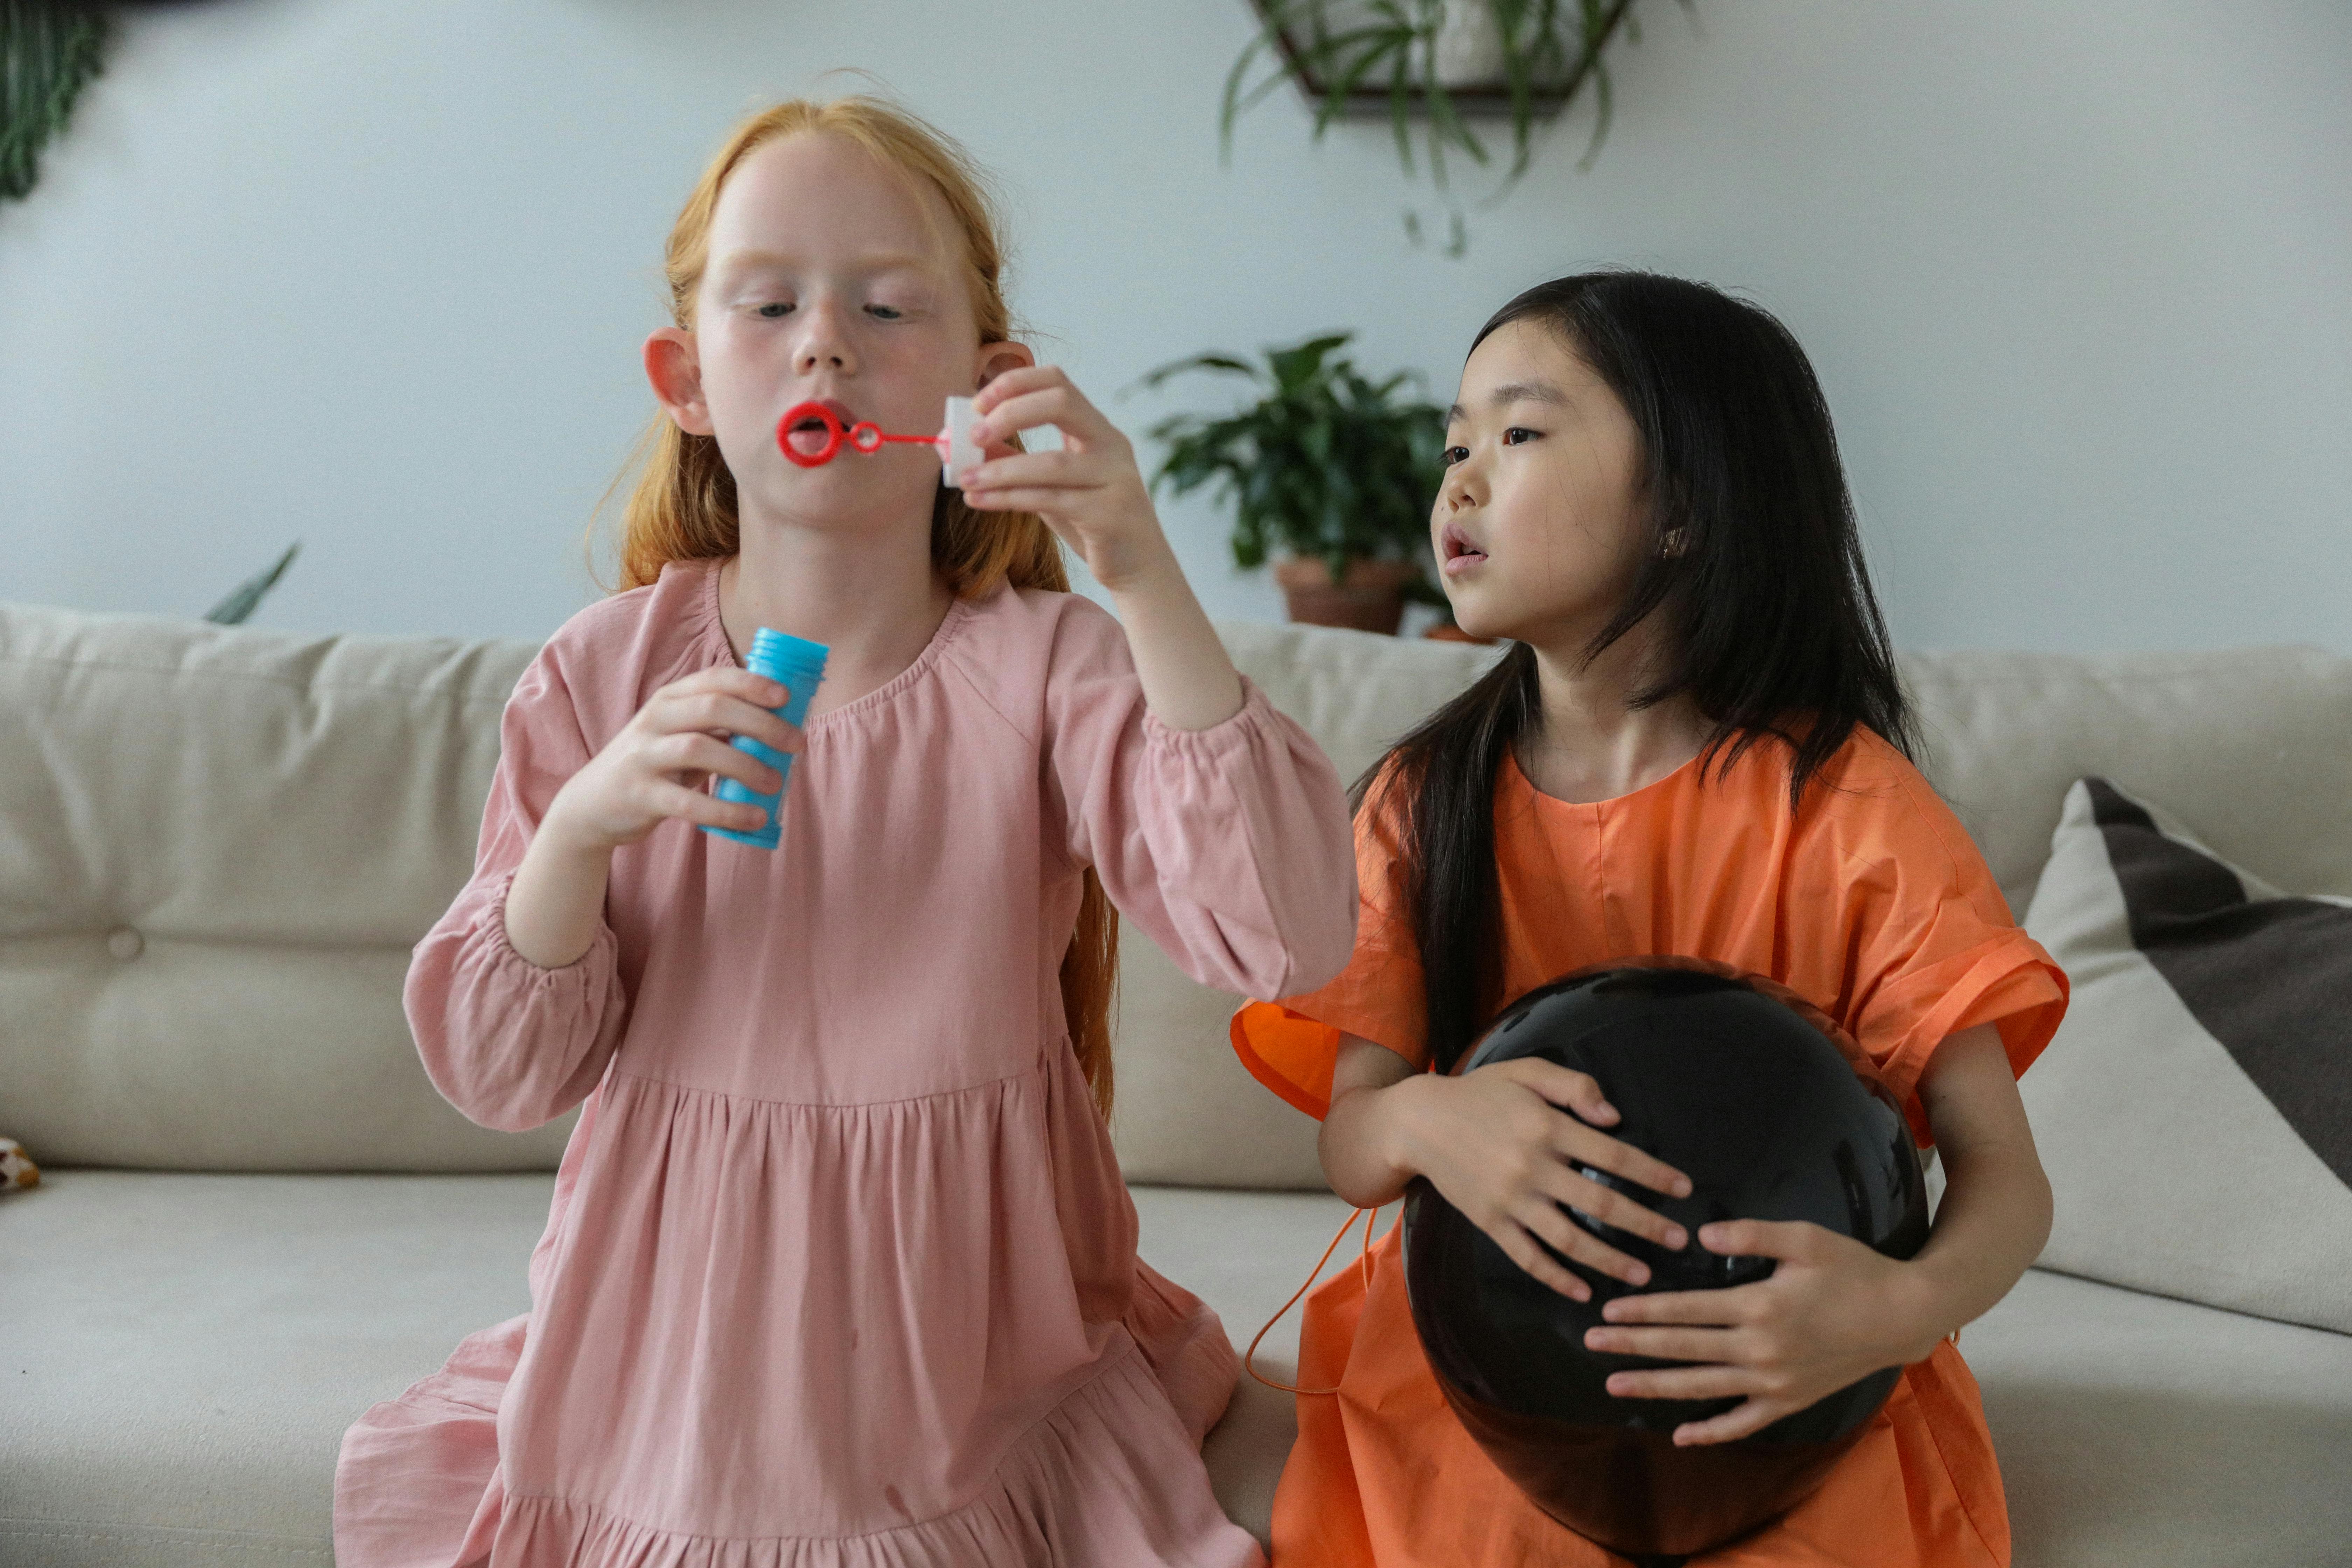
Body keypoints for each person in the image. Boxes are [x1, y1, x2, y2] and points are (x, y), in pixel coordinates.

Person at [336, 95, 1356, 1568]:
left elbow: (1286, 930)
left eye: (886, 305)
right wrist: (577, 836)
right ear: (687, 379)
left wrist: (1135, 566)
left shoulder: (1050, 668)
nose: (826, 343)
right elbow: (504, 1074)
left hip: (977, 1373)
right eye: (769, 304)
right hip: (679, 1369)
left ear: (983, 384)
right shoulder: (604, 674)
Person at [1232, 272, 2068, 1567]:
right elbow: (1357, 1142)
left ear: (1684, 506)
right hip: (1486, 1366)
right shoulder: (1423, 801)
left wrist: (1894, 1312)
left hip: (1783, 1386)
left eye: (1517, 435)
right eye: (1455, 444)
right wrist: (1428, 1120)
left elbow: (2006, 1184)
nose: (1457, 480)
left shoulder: (1846, 810)